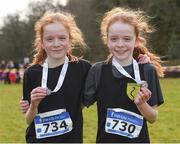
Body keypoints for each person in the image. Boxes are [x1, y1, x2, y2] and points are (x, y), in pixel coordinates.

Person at [83, 7, 164, 143]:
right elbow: (77, 105)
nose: (120, 44)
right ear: (107, 40)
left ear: (136, 40)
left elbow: (153, 117)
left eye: (127, 39)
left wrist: (141, 104)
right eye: (114, 39)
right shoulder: (97, 71)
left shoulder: (147, 70)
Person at [21, 10, 91, 143]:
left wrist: (142, 63)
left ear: (70, 40)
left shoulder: (83, 68)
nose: (56, 44)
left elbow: (110, 73)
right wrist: (34, 105)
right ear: (42, 42)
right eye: (49, 39)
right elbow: (28, 119)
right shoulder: (31, 73)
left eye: (62, 38)